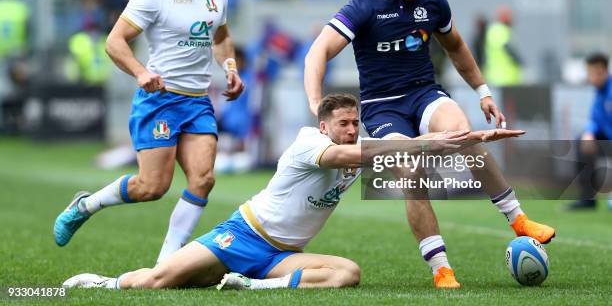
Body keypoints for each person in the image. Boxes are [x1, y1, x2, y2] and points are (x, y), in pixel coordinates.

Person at [62, 93, 523, 291]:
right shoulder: (311, 143)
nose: (349, 130)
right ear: (324, 125)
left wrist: (472, 140)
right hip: (244, 234)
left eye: (354, 124)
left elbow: (404, 151)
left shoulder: (358, 145)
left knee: (349, 273)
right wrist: (411, 147)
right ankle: (101, 282)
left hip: (282, 256)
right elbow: (352, 158)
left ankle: (255, 287)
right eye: (342, 124)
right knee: (162, 281)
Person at [304, 0, 555, 288]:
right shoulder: (363, 4)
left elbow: (456, 47)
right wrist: (316, 103)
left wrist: (482, 91)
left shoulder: (432, 1)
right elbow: (318, 52)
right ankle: (441, 268)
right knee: (411, 173)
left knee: (465, 135)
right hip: (382, 108)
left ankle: (518, 220)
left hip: (425, 94)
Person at [53, 0, 245, 265]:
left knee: (203, 180)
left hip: (198, 101)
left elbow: (221, 38)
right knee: (152, 187)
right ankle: (85, 205)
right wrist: (141, 72)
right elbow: (114, 42)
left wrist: (230, 67)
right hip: (161, 101)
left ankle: (166, 264)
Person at [566, 53, 612, 210]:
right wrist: (589, 132)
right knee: (582, 140)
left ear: (603, 71)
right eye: (589, 73)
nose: (591, 77)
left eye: (593, 73)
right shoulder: (599, 92)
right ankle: (587, 199)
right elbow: (595, 120)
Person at [482, 5, 523, 86]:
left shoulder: (498, 29)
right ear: (503, 17)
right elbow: (507, 48)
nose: (512, 19)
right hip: (502, 79)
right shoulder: (498, 29)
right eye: (510, 16)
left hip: (504, 78)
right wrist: (519, 60)